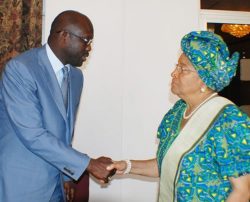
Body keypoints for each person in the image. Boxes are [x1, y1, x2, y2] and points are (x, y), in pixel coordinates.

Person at [107, 31, 250, 201]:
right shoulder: (178, 111)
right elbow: (168, 164)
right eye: (177, 66)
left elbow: (242, 192)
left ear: (204, 80)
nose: (173, 73)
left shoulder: (229, 120)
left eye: (183, 69)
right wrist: (128, 165)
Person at [0, 10, 113, 202]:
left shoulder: (76, 77)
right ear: (64, 36)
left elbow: (64, 132)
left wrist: (67, 175)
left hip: (56, 186)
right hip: (22, 184)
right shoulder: (21, 69)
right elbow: (33, 134)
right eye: (86, 40)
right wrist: (88, 164)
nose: (89, 48)